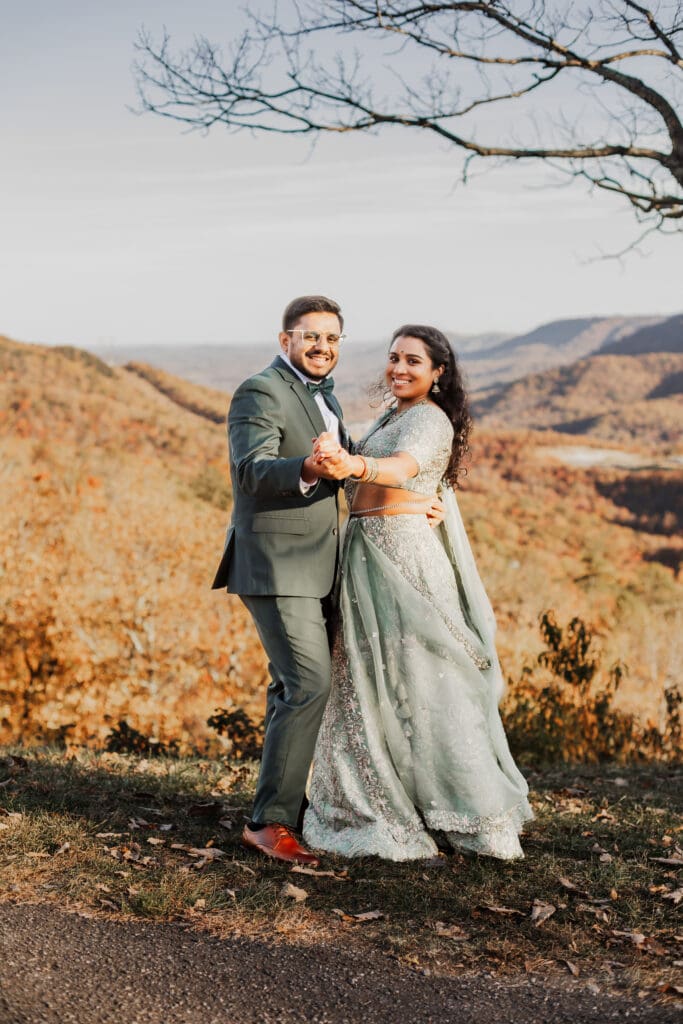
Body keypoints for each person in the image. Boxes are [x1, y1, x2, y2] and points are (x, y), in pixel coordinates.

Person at [212, 297, 443, 867]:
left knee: (295, 685)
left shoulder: (326, 397)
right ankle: (269, 824)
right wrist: (308, 468)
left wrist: (416, 505)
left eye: (332, 338)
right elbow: (249, 472)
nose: (323, 346)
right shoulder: (260, 390)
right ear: (285, 338)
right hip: (276, 563)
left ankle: (286, 802)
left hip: (323, 563)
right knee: (309, 684)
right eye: (311, 336)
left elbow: (353, 472)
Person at [302, 325, 533, 861]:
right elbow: (427, 480)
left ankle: (469, 812)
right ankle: (388, 796)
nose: (399, 368)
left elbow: (407, 468)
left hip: (402, 559)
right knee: (374, 678)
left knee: (425, 672)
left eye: (413, 360)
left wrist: (355, 464)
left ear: (438, 373)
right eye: (393, 358)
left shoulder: (428, 419)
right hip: (367, 555)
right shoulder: (394, 416)